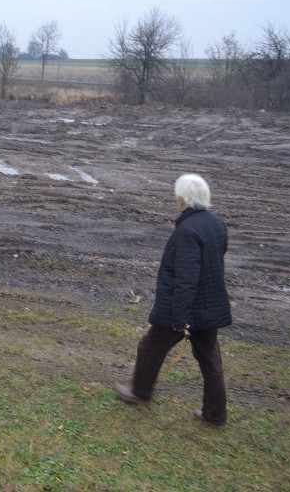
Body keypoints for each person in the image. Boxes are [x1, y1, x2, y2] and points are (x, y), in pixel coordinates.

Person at [114, 174, 231, 427]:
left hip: (184, 307)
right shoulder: (217, 224)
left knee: (150, 347)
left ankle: (140, 393)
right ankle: (216, 415)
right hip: (209, 306)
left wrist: (180, 319)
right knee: (210, 360)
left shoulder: (188, 230)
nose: (176, 200)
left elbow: (187, 278)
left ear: (184, 199)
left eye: (178, 196)